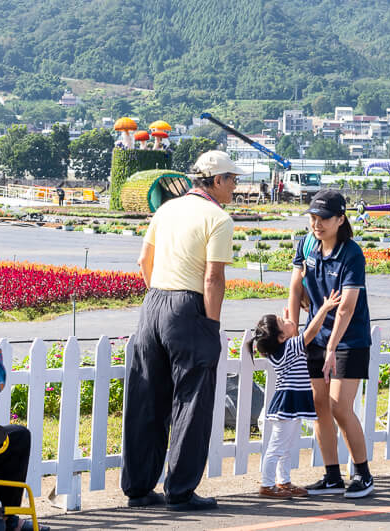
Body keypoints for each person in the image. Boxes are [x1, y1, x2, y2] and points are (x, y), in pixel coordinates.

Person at [120, 150, 246, 511]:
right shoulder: (218, 218)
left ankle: (139, 488)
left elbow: (143, 261)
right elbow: (213, 278)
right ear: (218, 180)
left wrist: (159, 295)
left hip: (154, 301)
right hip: (188, 307)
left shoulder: (167, 209)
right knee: (192, 401)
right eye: (232, 180)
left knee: (146, 399)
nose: (235, 186)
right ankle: (180, 490)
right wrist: (210, 324)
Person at [287, 190, 374, 498]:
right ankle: (332, 476)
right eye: (312, 218)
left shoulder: (352, 254)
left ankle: (363, 474)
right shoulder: (307, 244)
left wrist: (332, 348)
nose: (317, 225)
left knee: (339, 406)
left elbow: (347, 307)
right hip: (316, 335)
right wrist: (294, 329)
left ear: (340, 219)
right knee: (319, 404)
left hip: (349, 338)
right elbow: (296, 288)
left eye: (323, 219)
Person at [248, 289, 341, 499]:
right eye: (284, 321)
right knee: (278, 446)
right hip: (287, 405)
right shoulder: (290, 347)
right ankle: (267, 484)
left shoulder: (281, 349)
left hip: (290, 404)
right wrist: (324, 308)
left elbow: (294, 333)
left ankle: (283, 481)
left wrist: (287, 322)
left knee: (287, 445)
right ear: (282, 337)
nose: (290, 320)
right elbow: (310, 333)